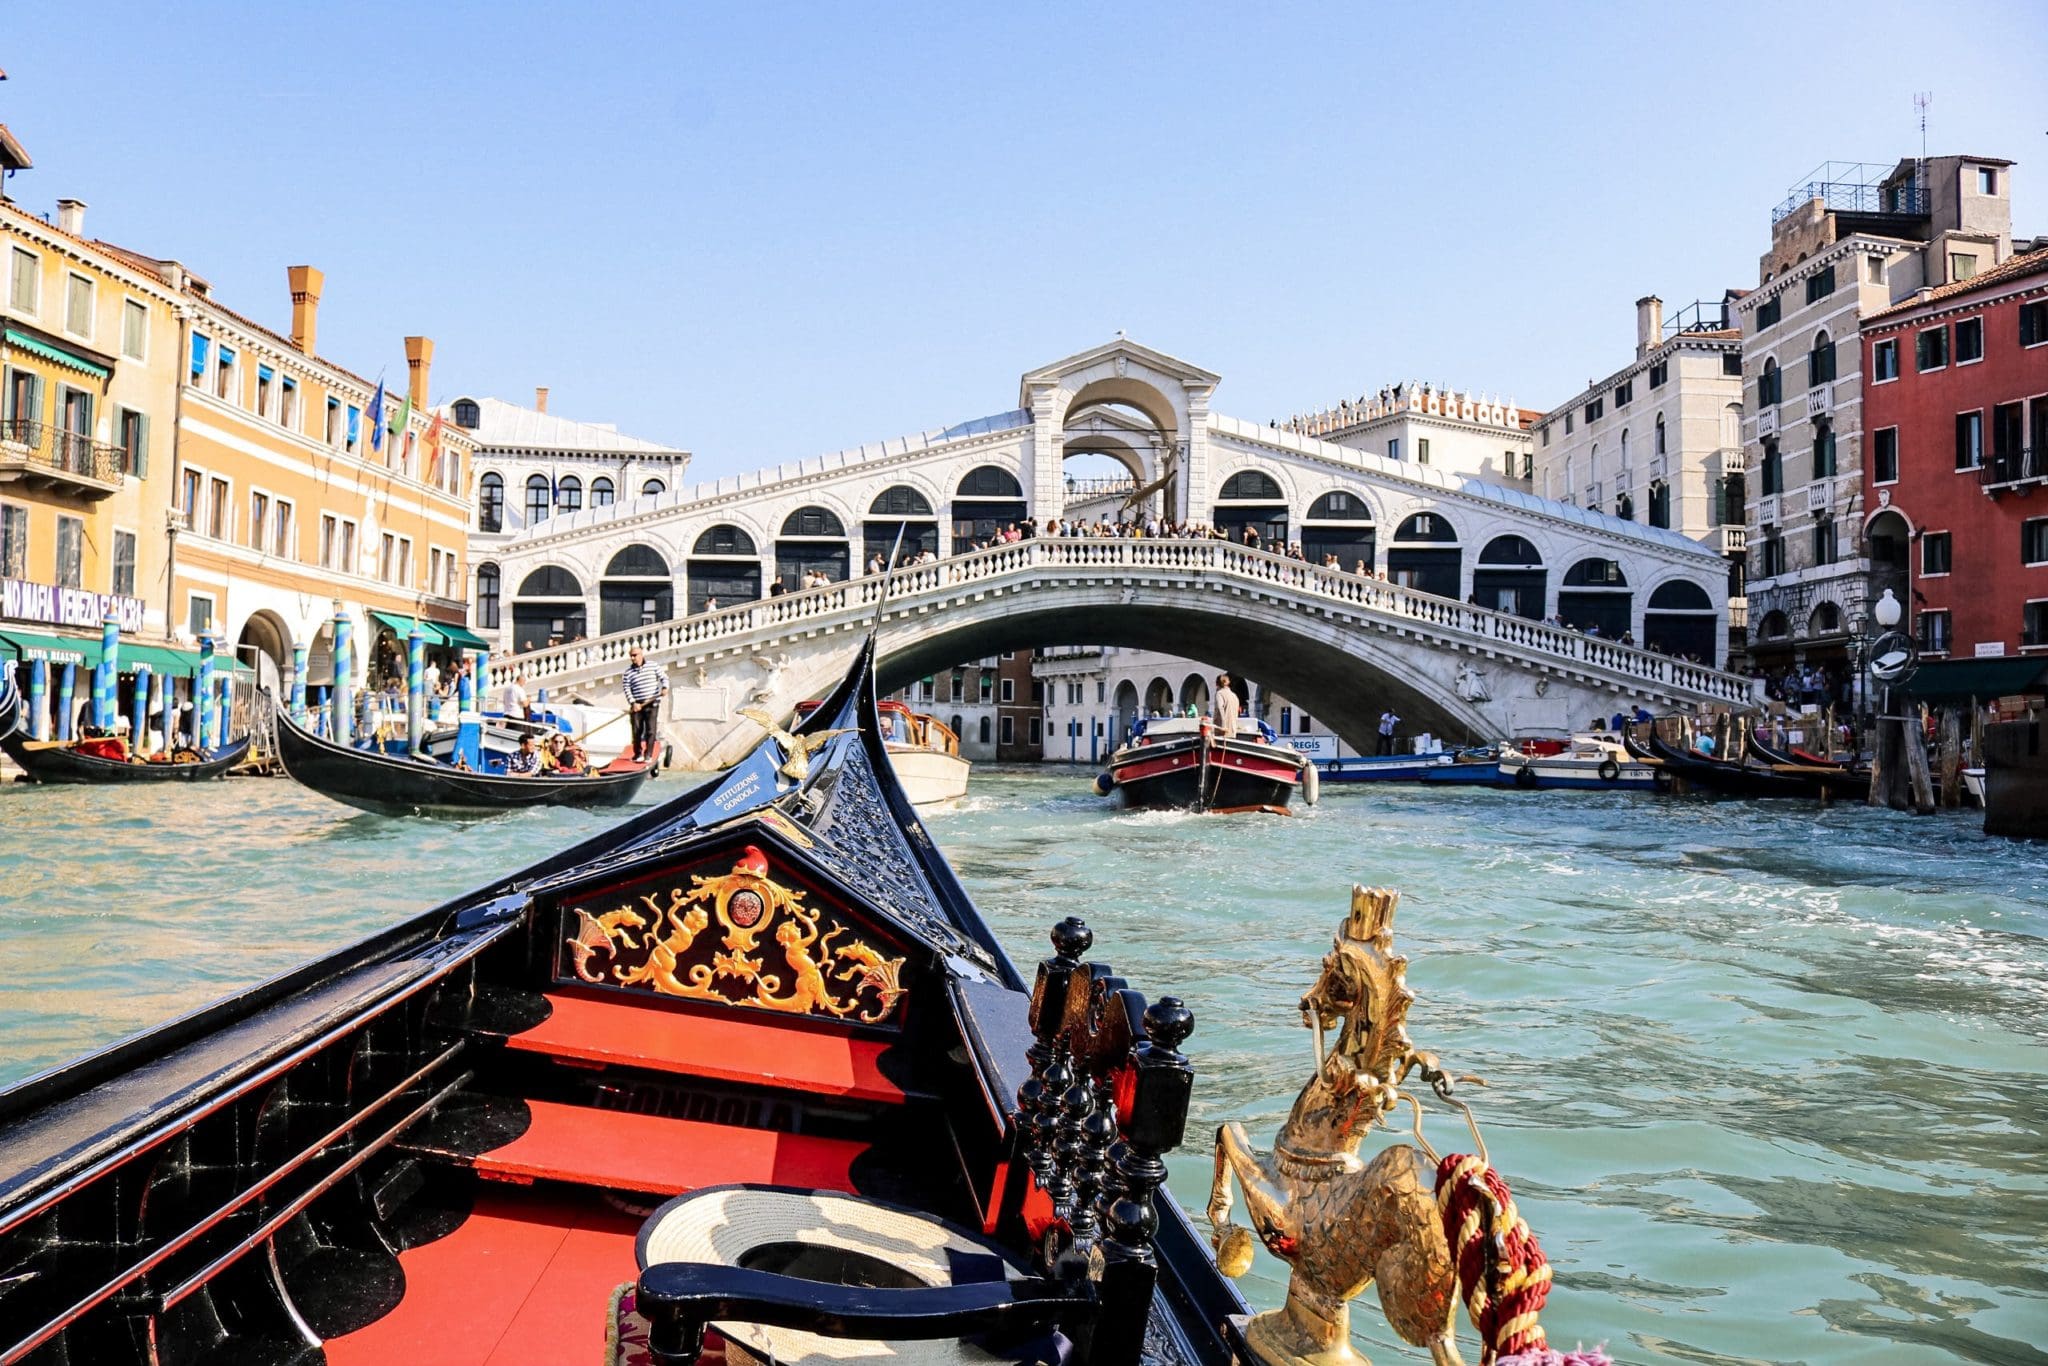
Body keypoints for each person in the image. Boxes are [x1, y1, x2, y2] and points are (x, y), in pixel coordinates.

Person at [621, 646, 667, 763]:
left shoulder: (653, 666)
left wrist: (665, 687)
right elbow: (627, 689)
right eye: (631, 656)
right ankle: (638, 754)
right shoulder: (628, 673)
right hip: (637, 704)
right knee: (636, 731)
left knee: (650, 730)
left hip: (652, 702)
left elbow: (664, 677)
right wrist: (633, 702)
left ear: (641, 655)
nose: (633, 658)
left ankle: (648, 754)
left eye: (635, 655)